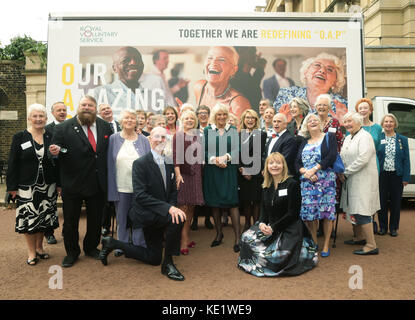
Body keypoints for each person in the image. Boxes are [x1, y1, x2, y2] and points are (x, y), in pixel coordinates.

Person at [100, 127, 187, 281]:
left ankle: (112, 243)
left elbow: (173, 191)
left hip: (161, 212)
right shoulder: (140, 163)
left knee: (154, 258)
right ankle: (168, 264)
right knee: (178, 219)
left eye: (163, 137)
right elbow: (140, 196)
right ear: (149, 139)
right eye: (157, 137)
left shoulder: (168, 161)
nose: (160, 140)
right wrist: (169, 209)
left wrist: (171, 208)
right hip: (145, 214)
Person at [49, 95, 113, 267]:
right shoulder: (63, 128)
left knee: (95, 220)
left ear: (95, 108)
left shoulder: (105, 126)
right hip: (73, 183)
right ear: (78, 107)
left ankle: (91, 247)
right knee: (70, 222)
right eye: (84, 104)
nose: (87, 108)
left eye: (90, 105)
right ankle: (72, 252)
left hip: (97, 183)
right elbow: (56, 150)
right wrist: (55, 151)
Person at [238, 152, 317, 277]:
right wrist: (262, 223)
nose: (275, 166)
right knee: (246, 238)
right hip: (269, 225)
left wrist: (273, 227)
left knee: (277, 255)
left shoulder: (292, 184)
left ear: (283, 166)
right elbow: (263, 210)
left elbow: (293, 213)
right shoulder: (266, 185)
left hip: (289, 227)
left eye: (278, 163)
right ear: (267, 166)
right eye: (271, 163)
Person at [7, 103, 59, 265]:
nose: (38, 119)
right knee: (29, 219)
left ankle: (39, 247)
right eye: (35, 116)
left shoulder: (52, 135)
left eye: (41, 116)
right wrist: (12, 187)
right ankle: (31, 252)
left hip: (48, 185)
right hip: (26, 186)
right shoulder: (20, 137)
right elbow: (13, 163)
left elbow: (59, 162)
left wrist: (60, 183)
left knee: (43, 217)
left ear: (46, 118)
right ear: (29, 118)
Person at [107, 109, 151, 257]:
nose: (130, 120)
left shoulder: (144, 140)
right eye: (127, 118)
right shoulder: (113, 139)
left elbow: (149, 164)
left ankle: (138, 245)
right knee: (122, 218)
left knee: (139, 217)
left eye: (133, 118)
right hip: (121, 186)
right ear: (121, 121)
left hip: (140, 188)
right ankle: (122, 245)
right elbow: (109, 164)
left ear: (136, 121)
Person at [295, 113, 338, 257]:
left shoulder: (329, 137)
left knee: (326, 214)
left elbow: (331, 156)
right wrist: (306, 172)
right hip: (307, 183)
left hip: (325, 182)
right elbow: (297, 163)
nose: (313, 122)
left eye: (315, 120)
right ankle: (314, 242)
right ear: (306, 126)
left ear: (321, 124)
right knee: (310, 215)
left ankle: (326, 245)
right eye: (309, 121)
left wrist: (314, 169)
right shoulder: (303, 141)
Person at [340, 112, 380, 255]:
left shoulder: (365, 137)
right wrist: (340, 170)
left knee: (362, 210)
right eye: (345, 122)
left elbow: (363, 158)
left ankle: (371, 245)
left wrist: (346, 172)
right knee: (353, 208)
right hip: (350, 177)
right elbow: (342, 156)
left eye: (350, 121)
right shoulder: (348, 137)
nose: (347, 124)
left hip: (363, 179)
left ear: (358, 122)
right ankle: (359, 237)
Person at [203, 103, 241, 252]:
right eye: (219, 114)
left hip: (228, 169)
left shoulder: (232, 130)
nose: (222, 117)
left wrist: (225, 157)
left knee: (233, 202)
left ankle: (238, 237)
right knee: (214, 202)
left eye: (224, 114)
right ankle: (219, 234)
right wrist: (215, 160)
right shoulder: (207, 130)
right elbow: (204, 150)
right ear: (214, 116)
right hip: (212, 170)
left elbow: (237, 149)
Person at [274, 52, 348, 125]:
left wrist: (344, 124)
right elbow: (269, 126)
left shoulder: (341, 105)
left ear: (335, 81)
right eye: (317, 65)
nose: (322, 71)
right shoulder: (286, 94)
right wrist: (282, 122)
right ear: (306, 72)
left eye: (329, 69)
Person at [92, 46, 160, 118]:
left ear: (142, 66)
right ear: (114, 68)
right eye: (125, 60)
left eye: (137, 59)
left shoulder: (155, 97)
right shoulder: (99, 94)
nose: (133, 63)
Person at [173, 110, 205, 255]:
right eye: (186, 118)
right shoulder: (178, 135)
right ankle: (182, 240)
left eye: (192, 118)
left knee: (191, 207)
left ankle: (186, 236)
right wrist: (178, 174)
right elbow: (176, 156)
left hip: (196, 174)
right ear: (182, 120)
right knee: (183, 207)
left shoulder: (198, 135)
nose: (190, 120)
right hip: (184, 174)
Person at [194, 46, 251, 120]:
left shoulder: (238, 104)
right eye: (210, 58)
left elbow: (246, 131)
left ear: (233, 70)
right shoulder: (200, 87)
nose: (213, 63)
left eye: (222, 60)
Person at [316, 93, 344, 237]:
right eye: (319, 105)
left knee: (330, 197)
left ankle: (329, 227)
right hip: (315, 166)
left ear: (329, 108)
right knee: (318, 196)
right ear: (315, 107)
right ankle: (320, 226)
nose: (321, 107)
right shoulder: (312, 121)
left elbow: (340, 144)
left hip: (330, 166)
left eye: (324, 105)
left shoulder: (335, 123)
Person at [377, 114, 410, 237]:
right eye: (386, 121)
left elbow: (406, 160)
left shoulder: (402, 139)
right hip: (382, 175)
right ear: (382, 124)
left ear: (395, 124)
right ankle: (383, 227)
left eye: (391, 122)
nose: (388, 124)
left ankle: (394, 228)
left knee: (396, 203)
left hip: (397, 175)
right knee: (382, 202)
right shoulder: (378, 138)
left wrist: (406, 177)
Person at [238, 109, 267, 231]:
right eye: (247, 118)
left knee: (256, 201)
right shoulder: (238, 134)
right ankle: (246, 223)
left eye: (253, 118)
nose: (250, 120)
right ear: (243, 120)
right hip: (242, 172)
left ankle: (256, 224)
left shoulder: (261, 134)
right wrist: (242, 169)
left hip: (256, 172)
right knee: (246, 200)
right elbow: (236, 154)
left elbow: (260, 154)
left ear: (256, 120)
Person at [44, 101, 68, 245]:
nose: (61, 112)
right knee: (50, 204)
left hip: (68, 172)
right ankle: (49, 233)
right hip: (51, 172)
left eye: (64, 110)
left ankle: (67, 230)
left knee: (69, 205)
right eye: (58, 110)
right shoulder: (46, 129)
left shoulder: (72, 127)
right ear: (53, 113)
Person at [98, 103, 121, 237]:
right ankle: (105, 225)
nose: (106, 110)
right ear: (99, 113)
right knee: (106, 199)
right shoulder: (98, 128)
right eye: (103, 109)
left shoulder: (121, 124)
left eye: (108, 108)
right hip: (106, 167)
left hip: (122, 166)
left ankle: (122, 224)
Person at [191, 105, 213, 231]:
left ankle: (207, 219)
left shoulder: (212, 130)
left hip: (209, 165)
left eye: (205, 112)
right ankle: (194, 219)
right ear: (197, 115)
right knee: (196, 192)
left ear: (209, 115)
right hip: (196, 165)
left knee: (208, 191)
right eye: (200, 113)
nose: (203, 115)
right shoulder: (193, 130)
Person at [231, 46, 266, 114]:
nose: (256, 56)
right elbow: (252, 92)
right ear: (246, 56)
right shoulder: (235, 78)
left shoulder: (247, 76)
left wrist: (260, 69)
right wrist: (260, 69)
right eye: (253, 53)